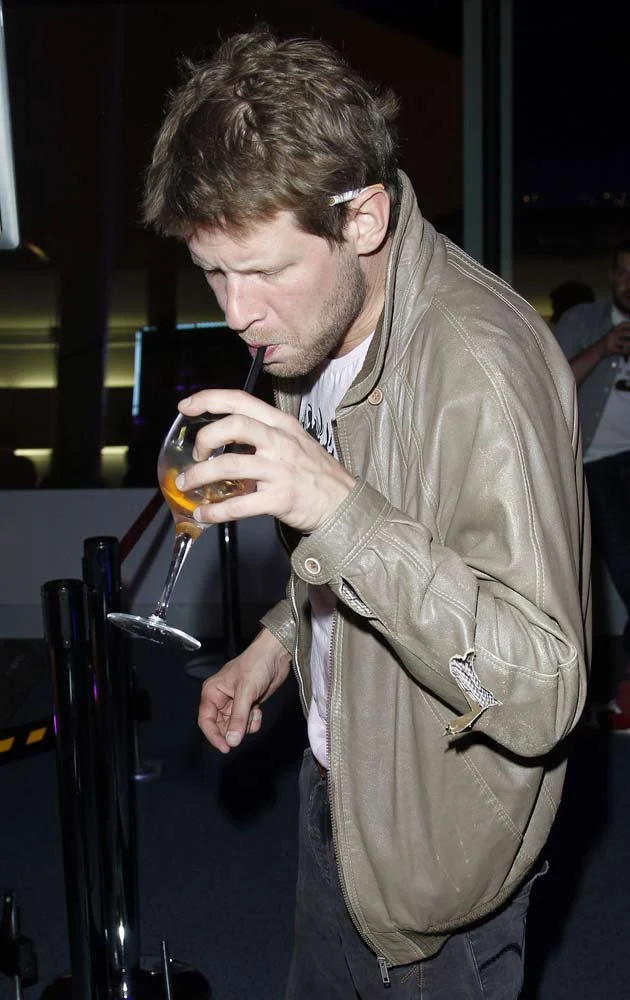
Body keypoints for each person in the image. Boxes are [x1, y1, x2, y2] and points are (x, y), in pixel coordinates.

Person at [143, 28, 590, 999]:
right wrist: (276, 643)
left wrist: (336, 507)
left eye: (263, 270)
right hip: (339, 786)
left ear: (364, 219)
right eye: (214, 272)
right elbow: (374, 555)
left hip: (438, 878)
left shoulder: (484, 373)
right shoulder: (315, 330)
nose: (237, 312)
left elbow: (544, 688)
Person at [555, 241, 630, 729]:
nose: (629, 283)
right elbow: (549, 383)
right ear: (610, 274)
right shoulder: (584, 320)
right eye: (623, 272)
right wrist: (603, 347)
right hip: (594, 465)